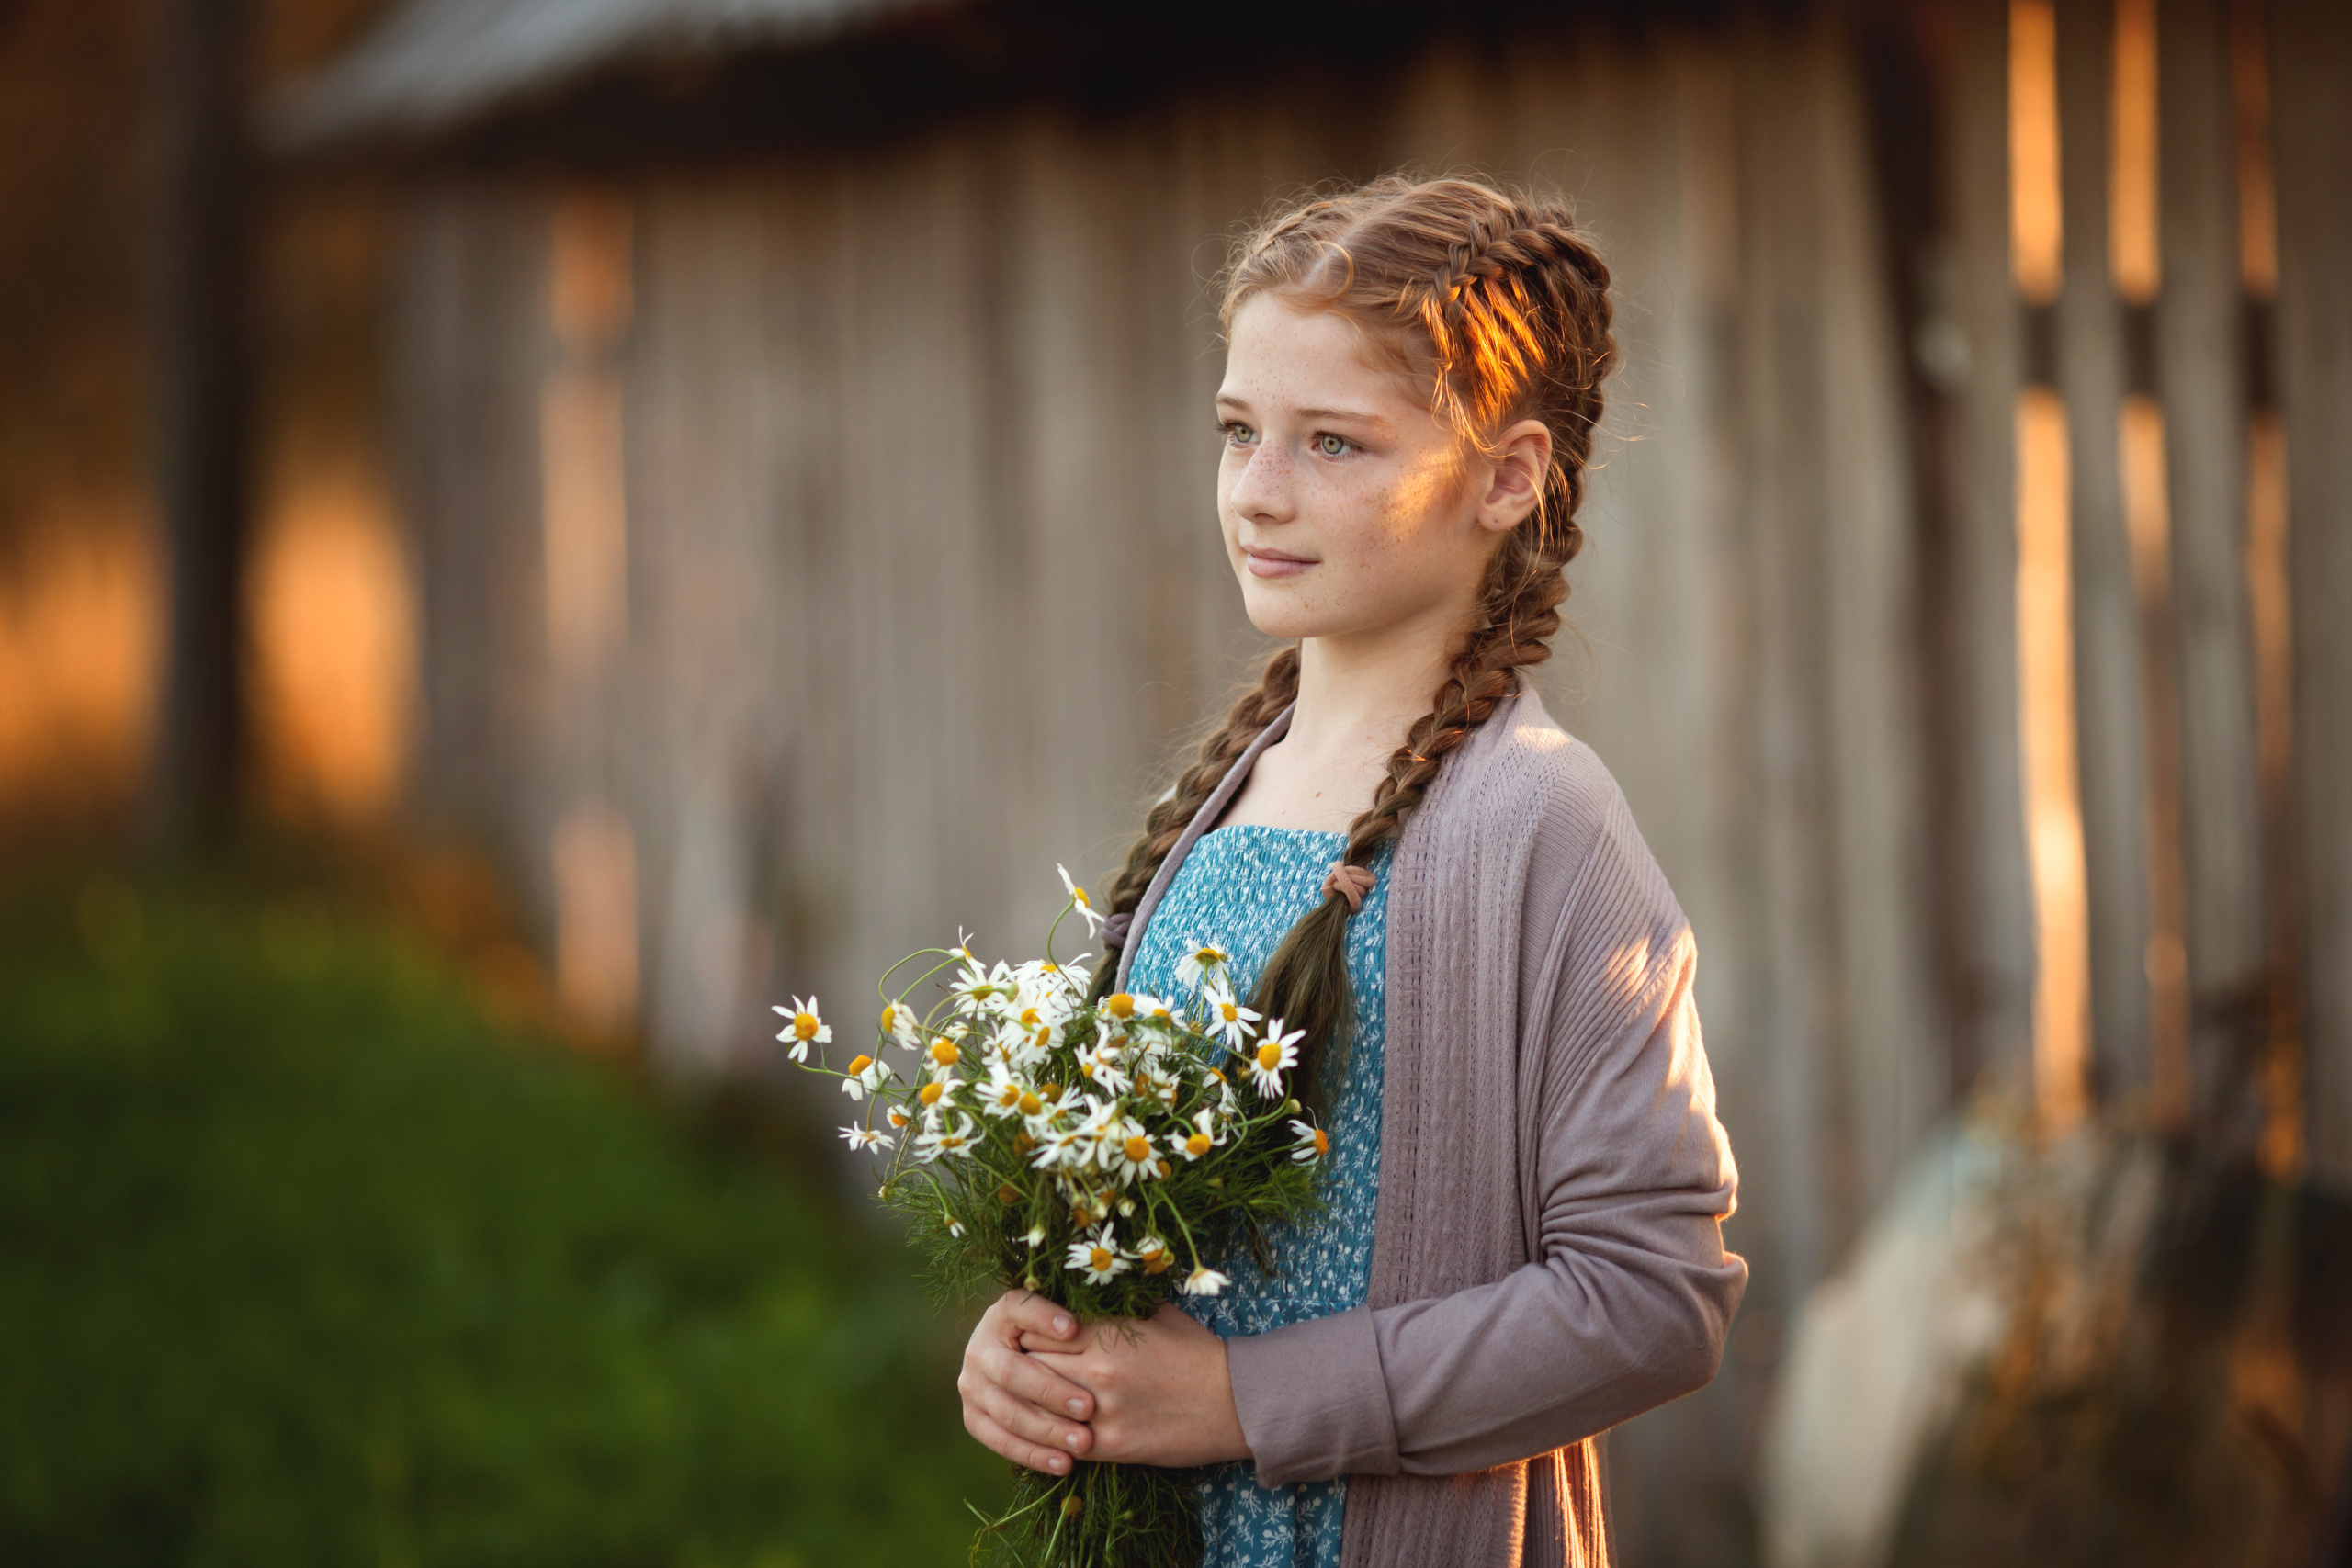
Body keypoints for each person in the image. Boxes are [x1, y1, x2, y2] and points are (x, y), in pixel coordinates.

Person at [956, 173, 1747, 1567]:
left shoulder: (1541, 827)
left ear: (1506, 478)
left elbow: (1654, 1297)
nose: (1260, 492)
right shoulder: (1226, 795)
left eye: (1334, 442)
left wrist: (1243, 1403)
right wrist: (1043, 1346)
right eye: (1239, 430)